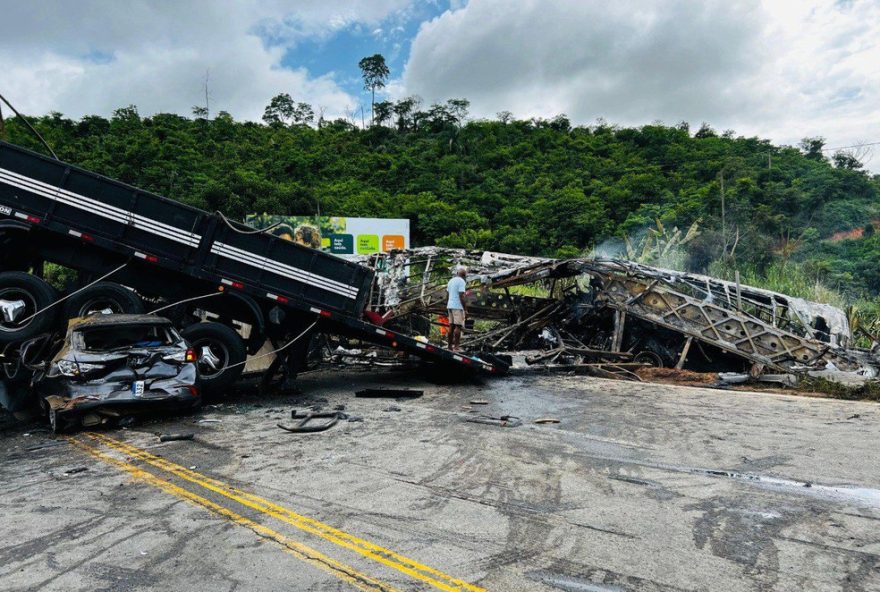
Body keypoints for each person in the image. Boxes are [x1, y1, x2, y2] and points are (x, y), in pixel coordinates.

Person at [446, 266, 468, 351]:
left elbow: (447, 295)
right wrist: (465, 309)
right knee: (458, 327)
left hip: (450, 305)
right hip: (457, 306)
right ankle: (456, 347)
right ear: (464, 275)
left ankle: (449, 347)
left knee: (451, 326)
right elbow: (461, 296)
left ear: (457, 273)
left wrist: (448, 304)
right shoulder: (461, 281)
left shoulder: (451, 281)